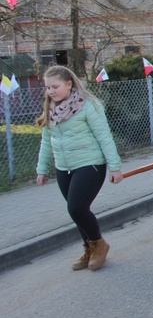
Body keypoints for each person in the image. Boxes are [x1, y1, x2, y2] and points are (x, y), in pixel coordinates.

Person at [35, 65, 123, 271]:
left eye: (55, 87)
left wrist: (115, 167)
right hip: (64, 166)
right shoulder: (51, 108)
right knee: (76, 212)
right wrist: (42, 169)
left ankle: (99, 245)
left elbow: (104, 136)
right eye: (48, 88)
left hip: (89, 163)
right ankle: (89, 248)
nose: (51, 92)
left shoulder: (88, 105)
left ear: (69, 84)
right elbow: (46, 140)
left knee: (77, 207)